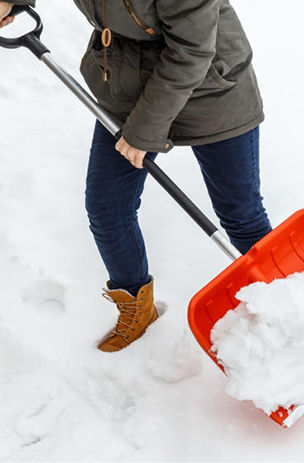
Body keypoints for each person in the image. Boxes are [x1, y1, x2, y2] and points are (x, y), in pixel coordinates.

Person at [0, 0, 273, 352]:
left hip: (211, 89)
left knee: (242, 217)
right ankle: (136, 308)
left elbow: (191, 51)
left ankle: (288, 306)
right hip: (128, 82)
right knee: (107, 209)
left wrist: (142, 133)